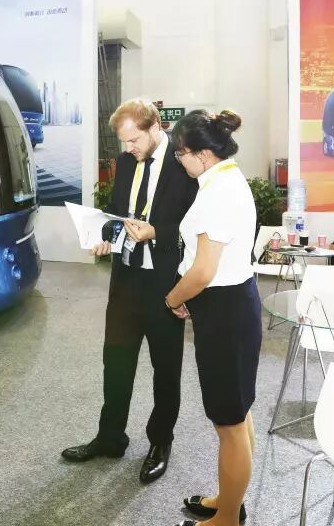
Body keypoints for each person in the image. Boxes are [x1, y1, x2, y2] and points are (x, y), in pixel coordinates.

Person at [62, 99, 198, 483]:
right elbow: (116, 211)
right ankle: (110, 437)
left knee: (165, 370)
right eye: (124, 141)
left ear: (156, 127)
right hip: (125, 280)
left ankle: (160, 442)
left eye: (134, 140)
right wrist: (104, 235)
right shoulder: (125, 162)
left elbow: (195, 227)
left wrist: (157, 233)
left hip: (166, 284)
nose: (128, 148)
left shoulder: (184, 164)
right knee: (116, 363)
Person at [164, 110, 259, 526]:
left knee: (229, 423)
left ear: (201, 155)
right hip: (233, 305)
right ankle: (229, 499)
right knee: (238, 412)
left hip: (224, 312)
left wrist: (173, 298)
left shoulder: (217, 193)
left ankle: (227, 520)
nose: (179, 161)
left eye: (180, 154)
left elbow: (203, 271)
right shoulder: (227, 180)